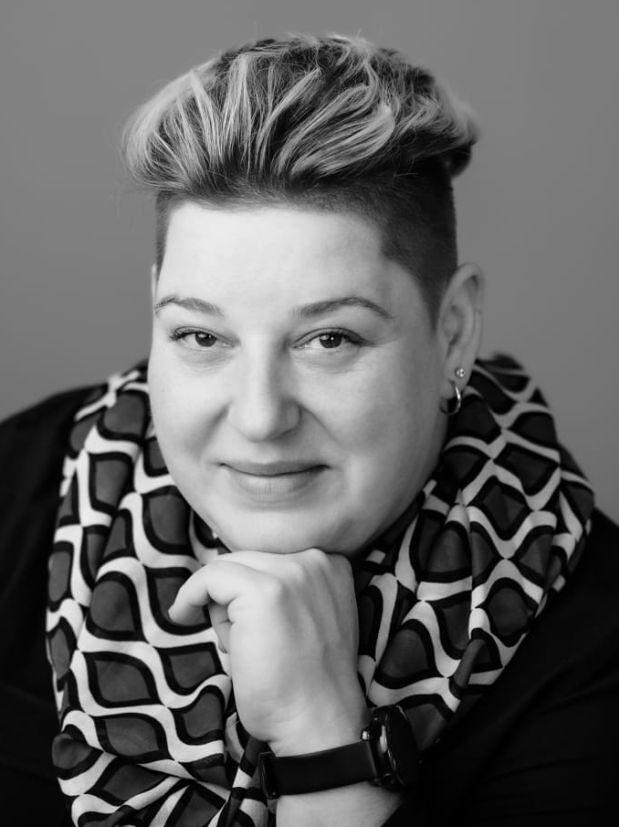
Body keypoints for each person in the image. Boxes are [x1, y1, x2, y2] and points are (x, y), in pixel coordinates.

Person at [1, 32, 617, 826]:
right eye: (200, 334)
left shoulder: (593, 649)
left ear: (453, 332)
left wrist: (324, 740)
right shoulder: (19, 491)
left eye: (329, 339)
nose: (259, 418)